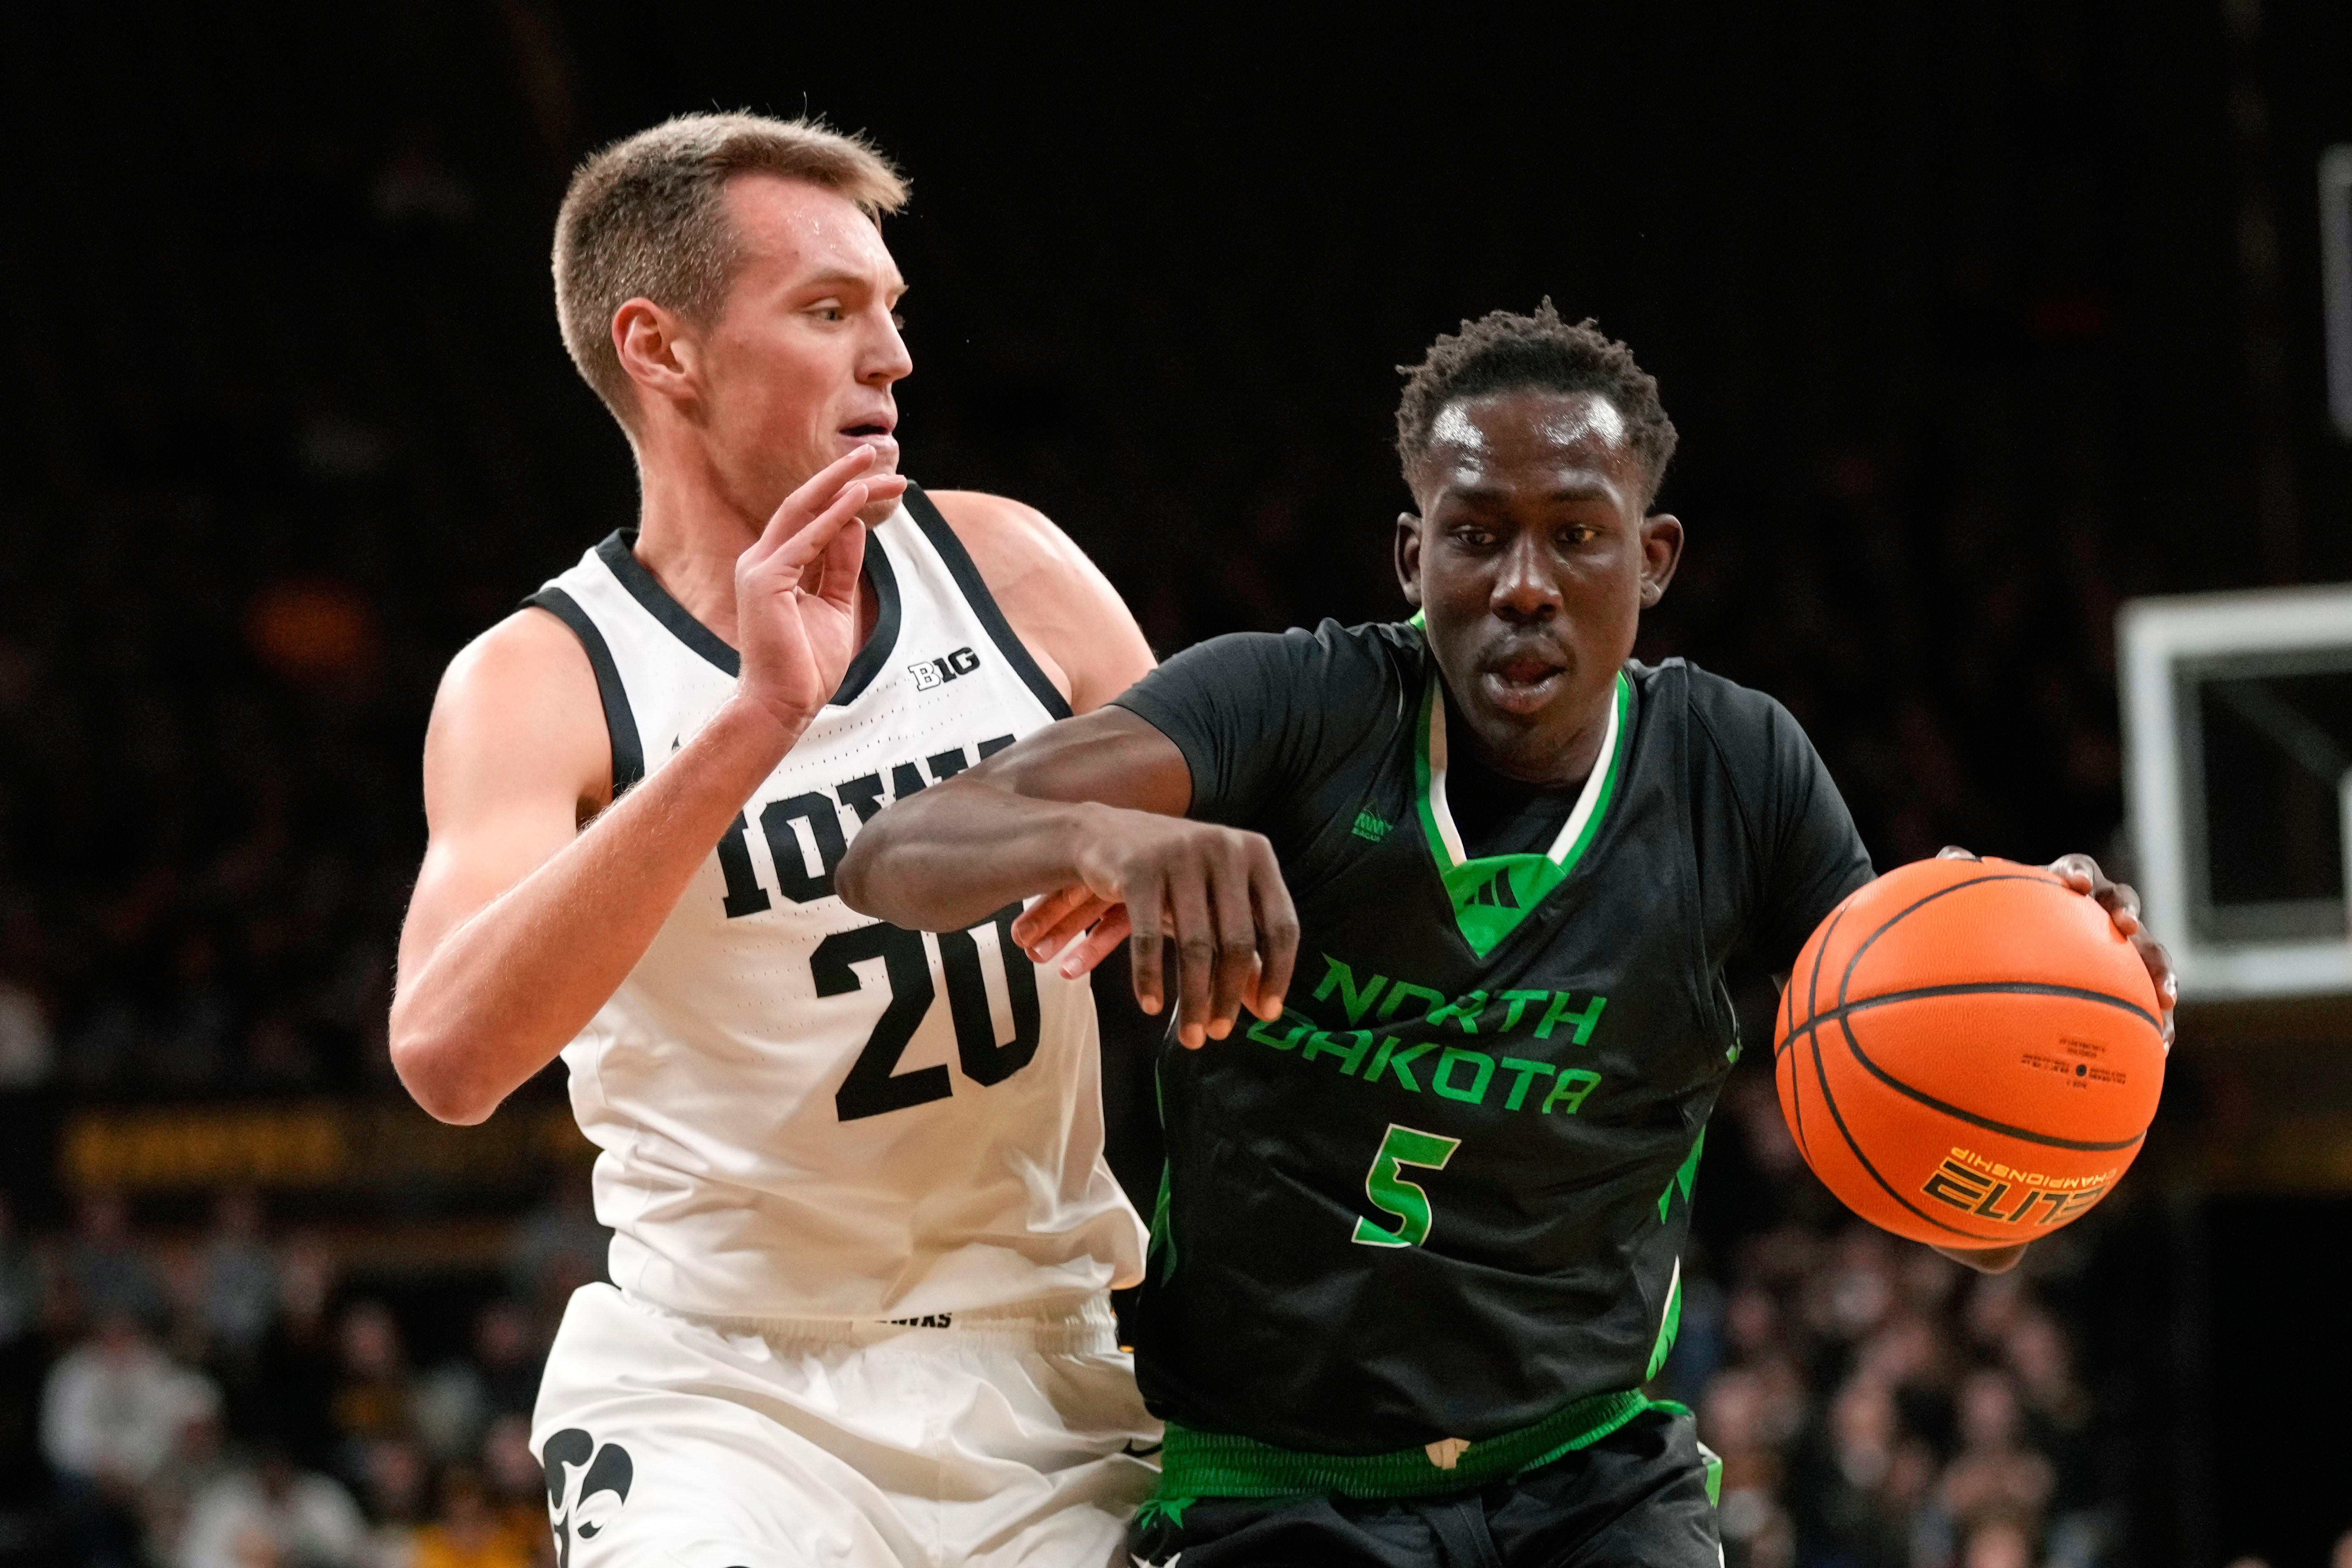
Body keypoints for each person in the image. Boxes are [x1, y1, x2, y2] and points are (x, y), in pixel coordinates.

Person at [835, 303, 2175, 1567]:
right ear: (1412, 557)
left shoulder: (1737, 769)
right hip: (1275, 1482)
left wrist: (2042, 1029)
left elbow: (1955, 1207)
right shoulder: (1293, 707)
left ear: (1650, 560)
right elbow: (891, 852)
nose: (1523, 584)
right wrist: (1098, 836)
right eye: (1475, 535)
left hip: (1589, 1474)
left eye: (1575, 536)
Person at [388, 113, 1159, 1567]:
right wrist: (751, 725)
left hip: (1047, 1352)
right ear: (660, 349)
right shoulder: (542, 677)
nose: (892, 357)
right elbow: (448, 1058)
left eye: (890, 312)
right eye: (828, 312)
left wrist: (1170, 872)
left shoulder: (1011, 568)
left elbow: (1259, 878)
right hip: (722, 1388)